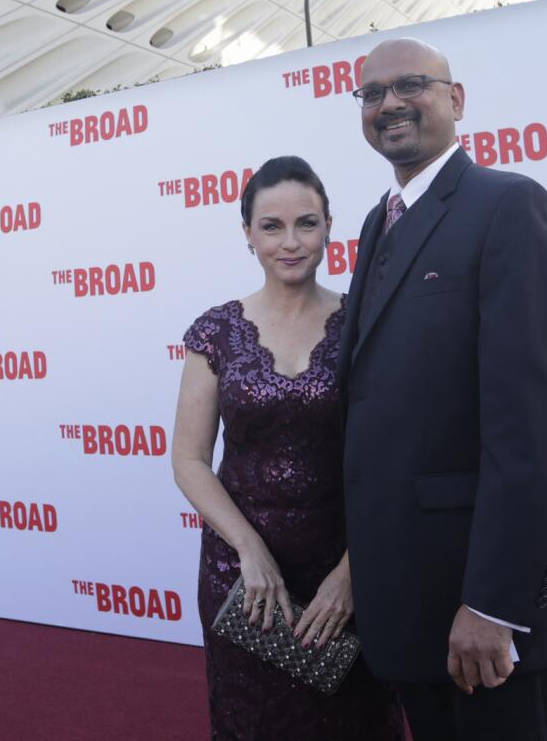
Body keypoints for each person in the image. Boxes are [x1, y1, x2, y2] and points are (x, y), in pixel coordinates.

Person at [337, 38, 547, 740]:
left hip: (482, 606)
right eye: (372, 94)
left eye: (411, 86)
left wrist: (494, 604)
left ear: (455, 102)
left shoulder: (508, 205)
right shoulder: (377, 222)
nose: (390, 104)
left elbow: (533, 423)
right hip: (408, 600)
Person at [172, 156, 403, 740]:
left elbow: (394, 458)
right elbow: (189, 459)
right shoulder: (215, 331)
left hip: (349, 566)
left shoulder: (364, 323)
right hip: (242, 573)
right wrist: (249, 549)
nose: (290, 242)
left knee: (356, 719)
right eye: (271, 226)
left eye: (306, 223)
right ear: (247, 234)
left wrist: (355, 572)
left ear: (330, 227)